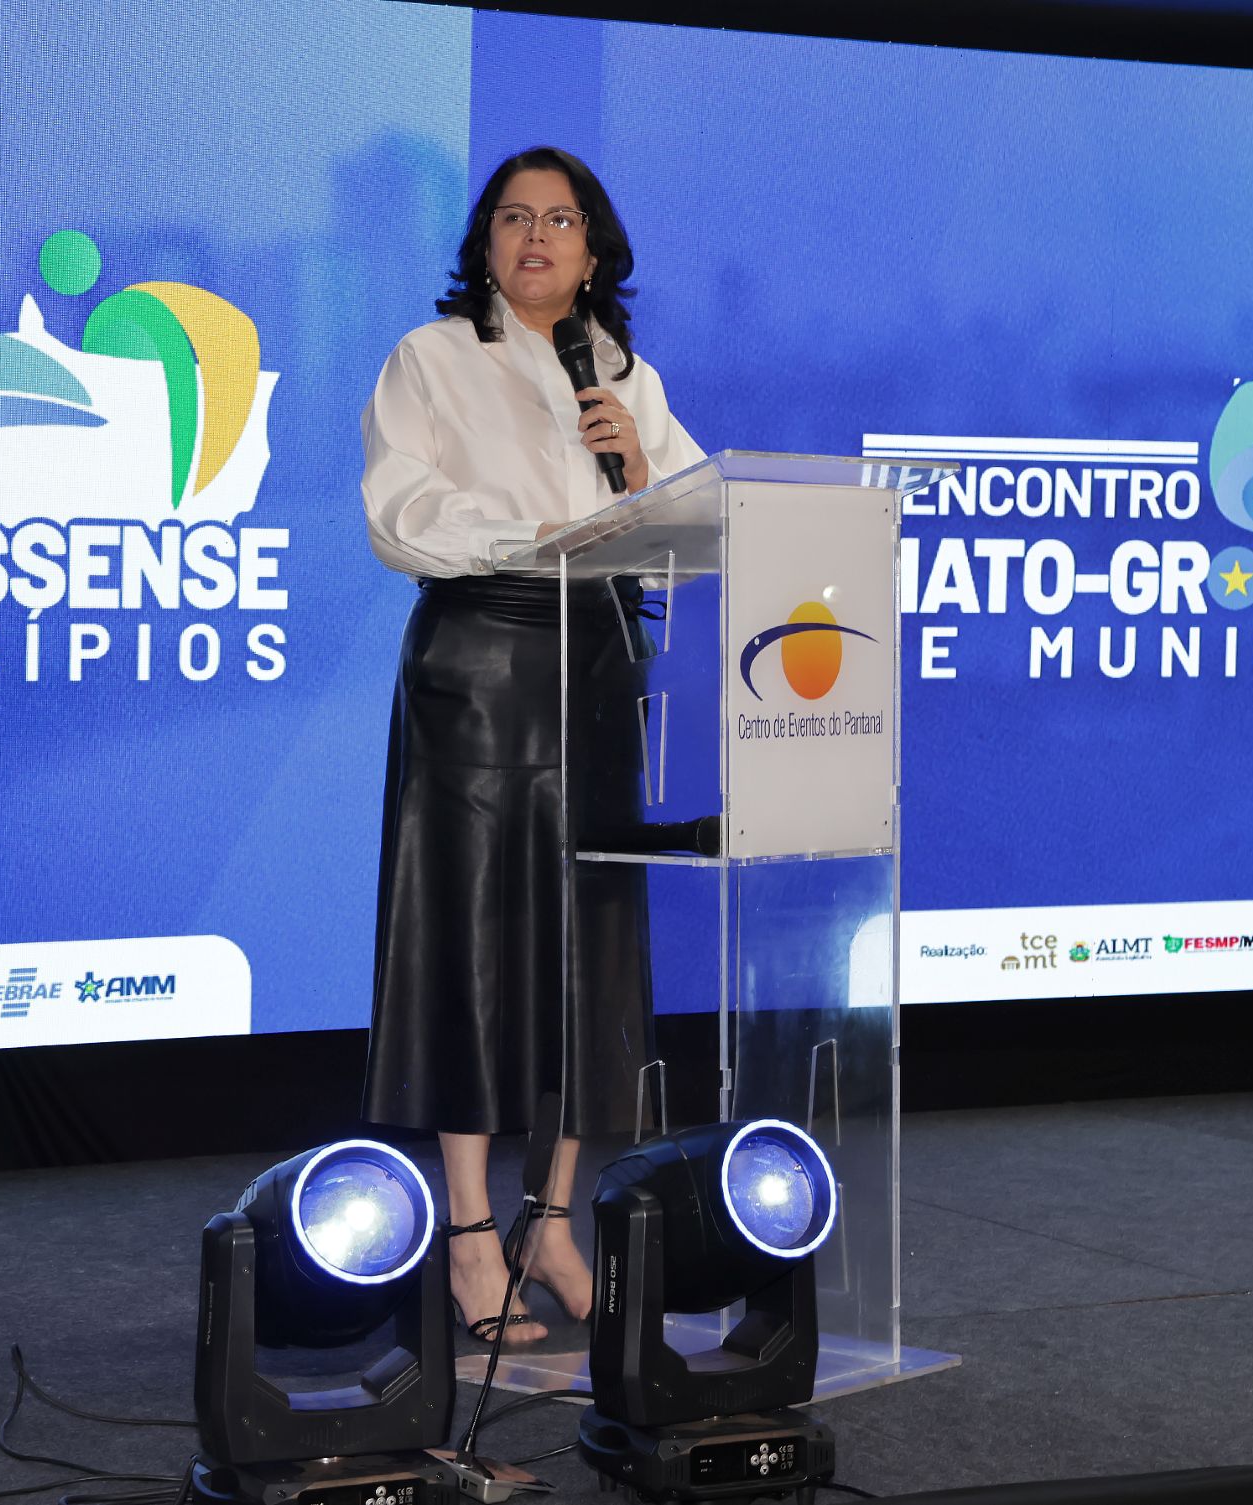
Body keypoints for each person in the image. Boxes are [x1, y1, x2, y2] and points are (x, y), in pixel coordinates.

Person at [359, 146, 704, 1345]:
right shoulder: (432, 358)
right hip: (483, 662)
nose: (537, 236)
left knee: (582, 953)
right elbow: (401, 513)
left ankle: (551, 1221)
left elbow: (696, 521)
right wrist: (541, 532)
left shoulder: (624, 376)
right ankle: (467, 1231)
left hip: (599, 664)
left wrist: (641, 469)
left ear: (594, 251)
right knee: (472, 943)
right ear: (486, 245)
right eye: (514, 217)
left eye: (560, 219)